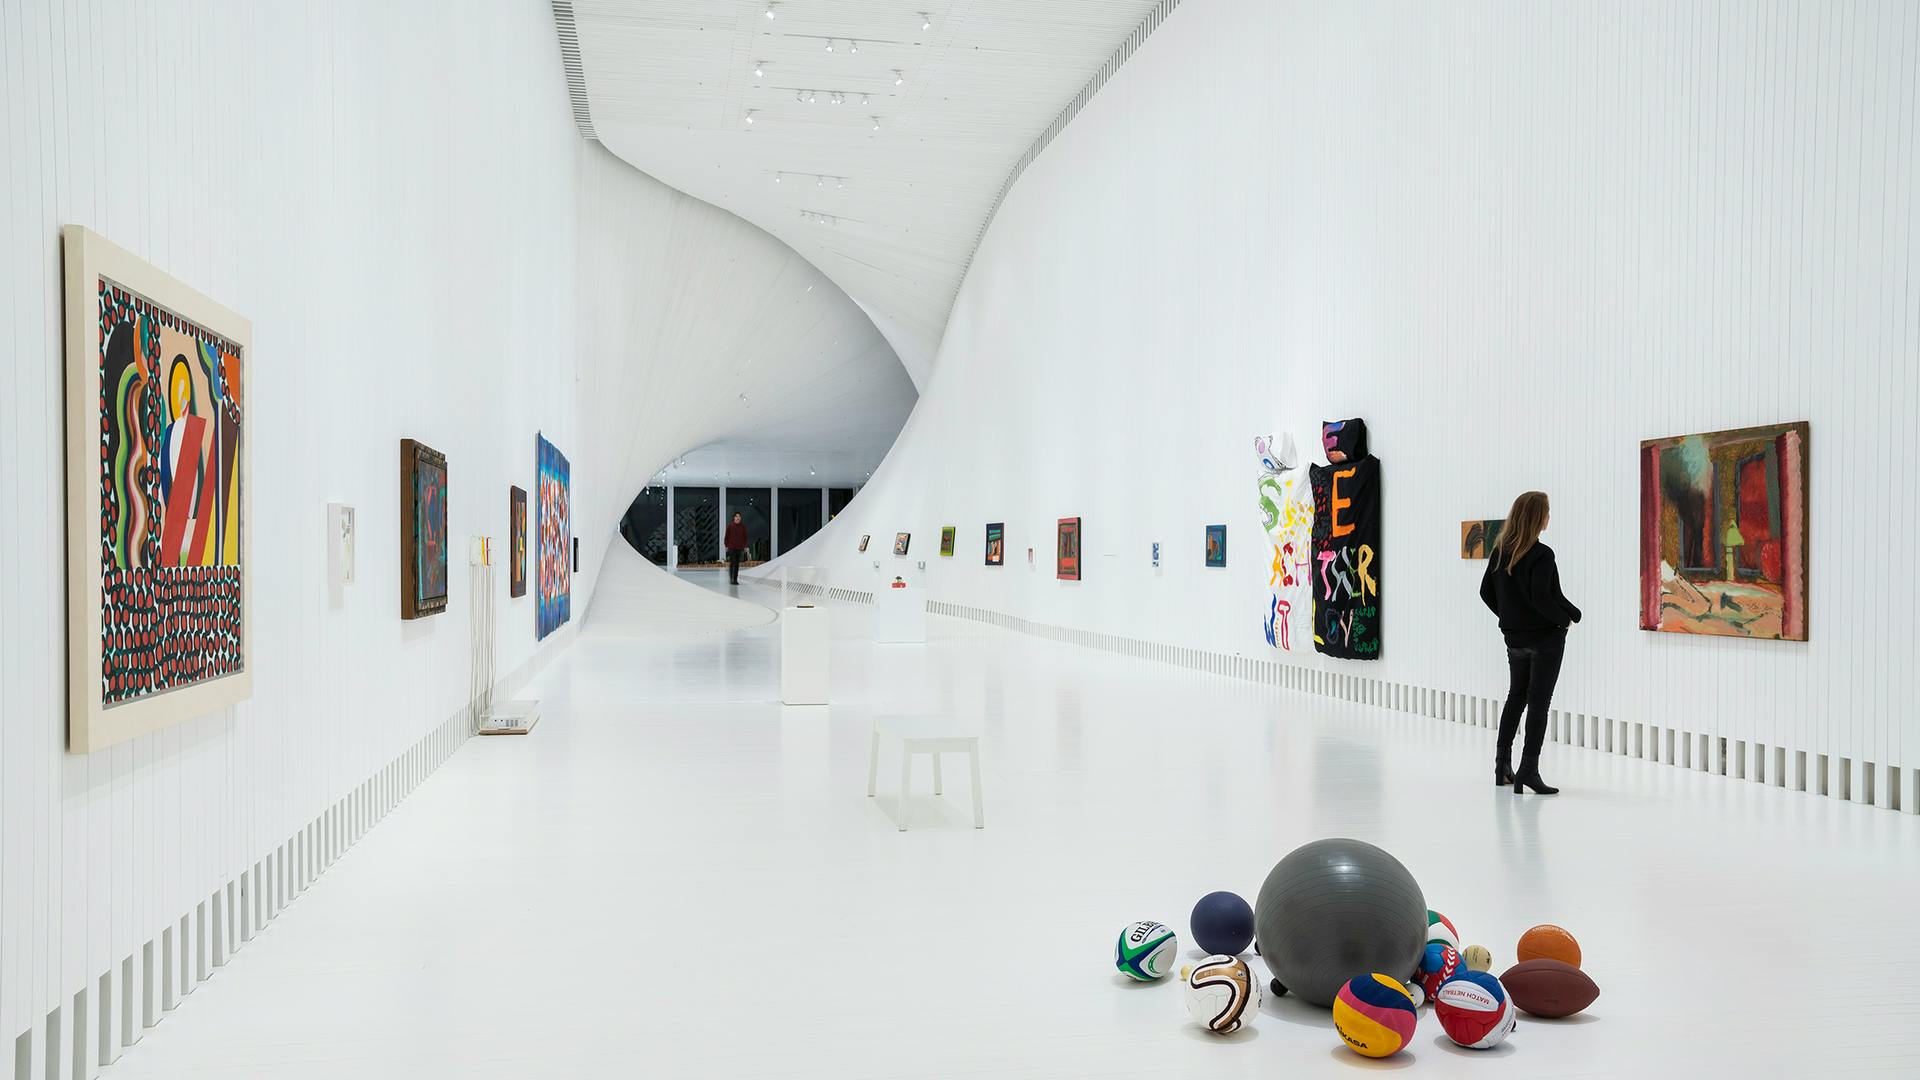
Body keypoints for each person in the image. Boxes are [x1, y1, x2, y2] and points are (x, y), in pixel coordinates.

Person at [1479, 491, 1580, 795]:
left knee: (1516, 697)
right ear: (1538, 517)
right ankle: (1528, 771)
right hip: (1545, 639)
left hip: (1514, 638)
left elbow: (1486, 593)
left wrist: (1510, 617)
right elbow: (1543, 598)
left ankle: (1502, 766)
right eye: (1547, 512)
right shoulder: (1542, 554)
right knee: (1538, 703)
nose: (1550, 517)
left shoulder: (1500, 551)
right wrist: (1563, 620)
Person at [723, 512, 749, 585]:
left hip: (739, 548)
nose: (737, 518)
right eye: (736, 516)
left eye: (739, 516)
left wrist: (745, 546)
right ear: (734, 518)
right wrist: (726, 546)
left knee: (737, 564)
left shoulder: (743, 527)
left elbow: (745, 537)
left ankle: (735, 579)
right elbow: (726, 537)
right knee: (733, 563)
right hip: (731, 547)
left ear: (740, 518)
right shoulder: (730, 526)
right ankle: (731, 579)